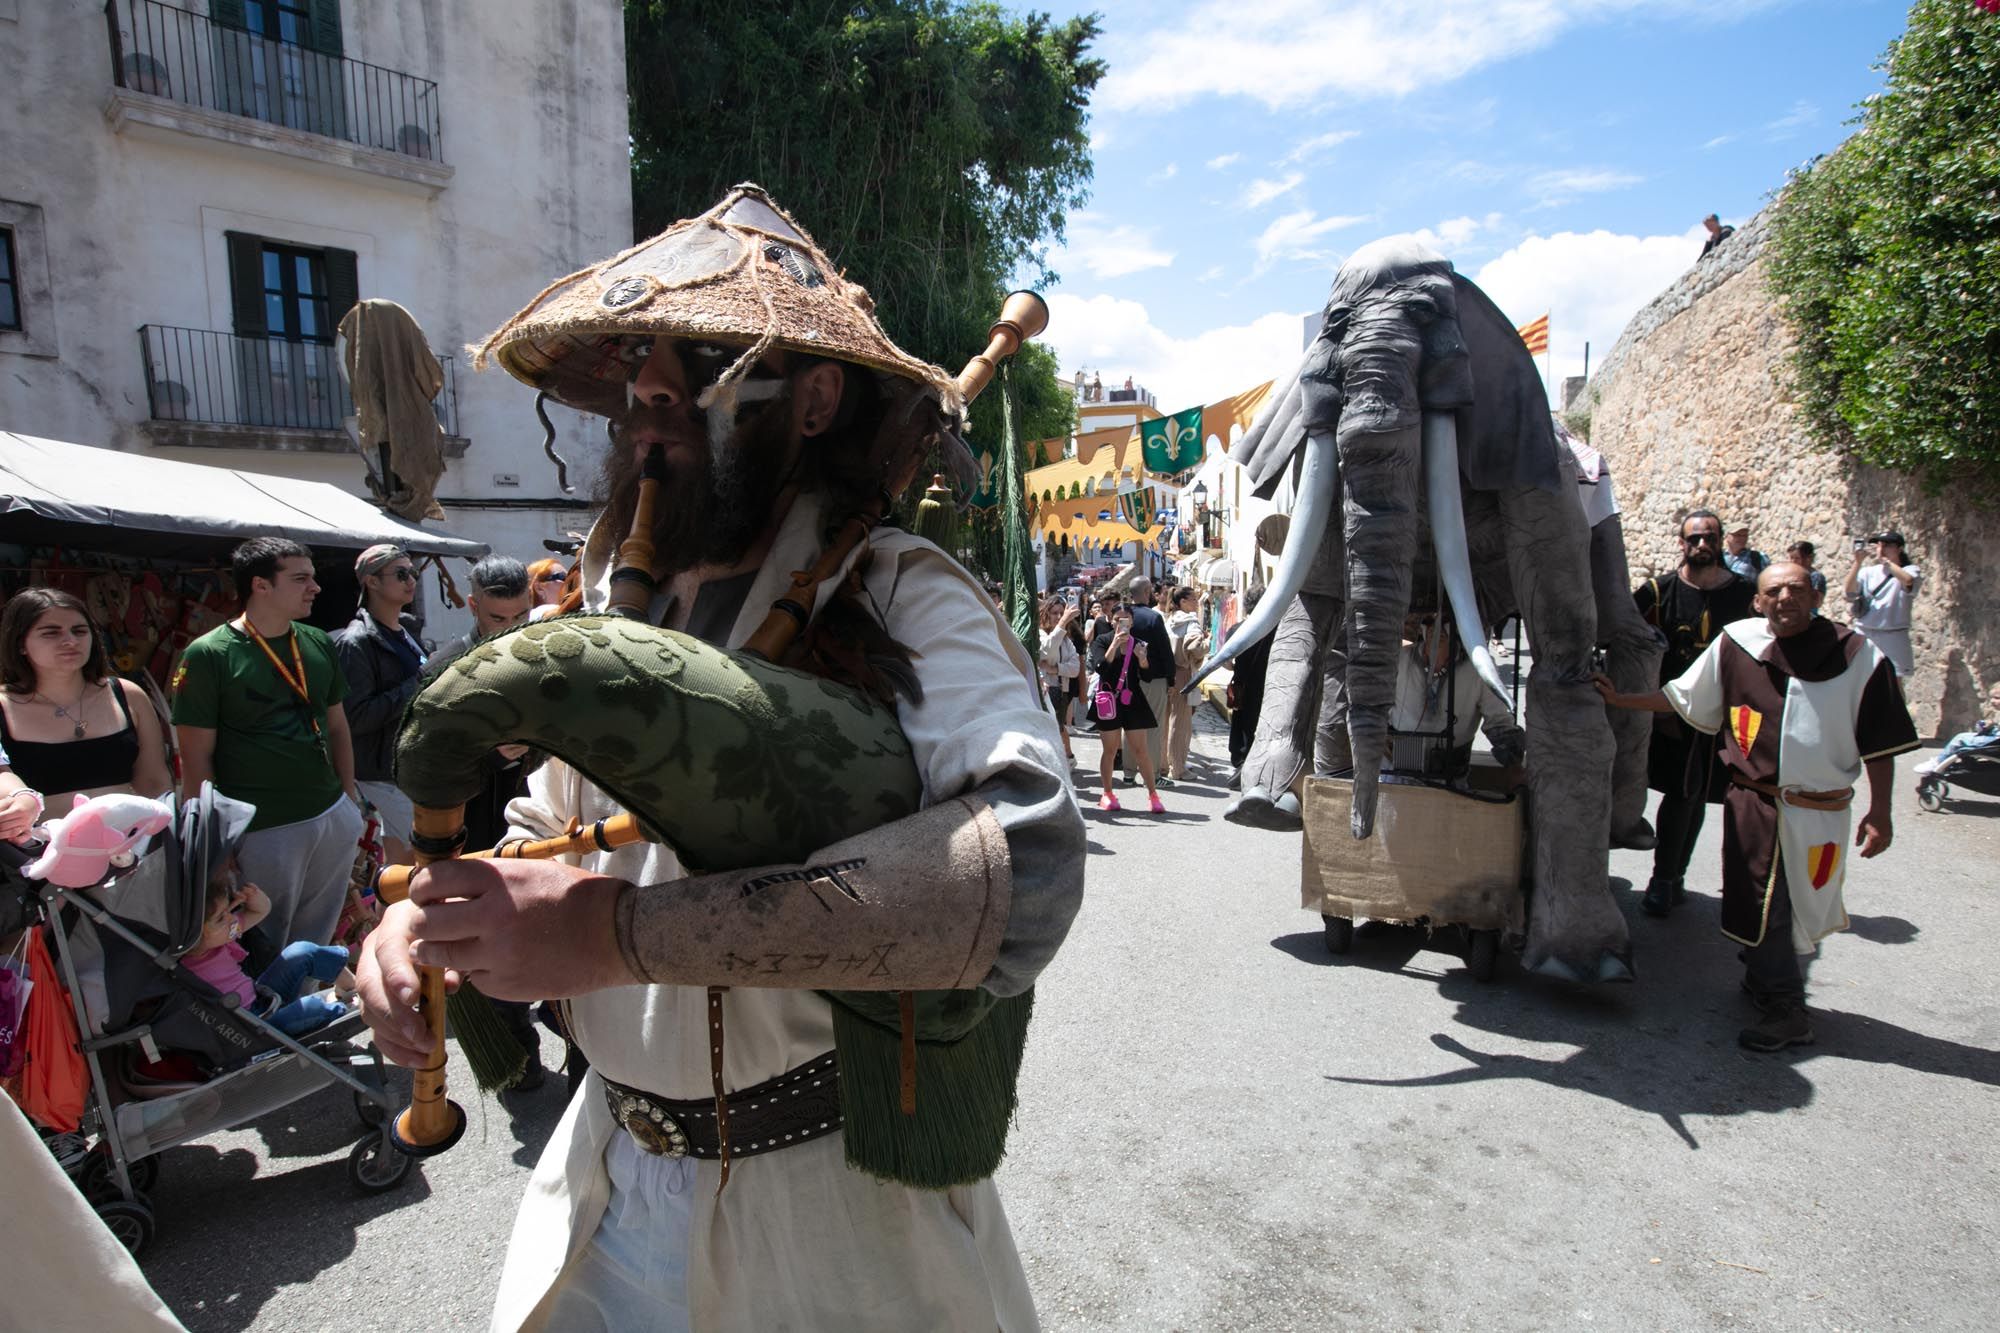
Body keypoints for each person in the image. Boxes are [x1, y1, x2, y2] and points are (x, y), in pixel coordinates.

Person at [352, 183, 1082, 1330]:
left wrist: (613, 936)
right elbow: (549, 831)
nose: (649, 391)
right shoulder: (601, 598)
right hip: (602, 1175)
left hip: (835, 1215)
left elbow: (1025, 870)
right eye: (636, 359)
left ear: (813, 399)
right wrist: (424, 923)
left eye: (695, 359)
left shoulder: (895, 591)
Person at [1595, 561, 1918, 1050]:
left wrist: (1881, 812)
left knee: (1788, 904)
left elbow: (1881, 739)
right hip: (1753, 801)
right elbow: (1685, 698)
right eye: (1775, 590)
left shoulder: (1859, 656)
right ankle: (1770, 984)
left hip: (1817, 811)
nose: (1785, 597)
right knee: (1756, 899)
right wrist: (1623, 701)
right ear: (1758, 601)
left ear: (1815, 596)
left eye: (1796, 588)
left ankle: (1786, 1006)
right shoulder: (1737, 645)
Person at [172, 538, 365, 955]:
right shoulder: (209, 654)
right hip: (263, 826)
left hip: (330, 812)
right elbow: (195, 756)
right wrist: (212, 846)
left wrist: (348, 799)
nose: (315, 587)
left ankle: (306, 1012)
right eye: (300, 579)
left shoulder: (315, 641)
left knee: (315, 936)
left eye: (313, 577)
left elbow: (336, 725)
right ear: (260, 585)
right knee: (262, 937)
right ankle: (264, 1015)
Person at [427, 555, 557, 1090]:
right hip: (475, 823)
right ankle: (513, 1055)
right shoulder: (443, 667)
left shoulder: (548, 652)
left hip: (542, 814)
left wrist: (533, 748)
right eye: (499, 620)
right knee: (489, 942)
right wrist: (492, 752)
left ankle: (565, 1029)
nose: (512, 630)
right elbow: (426, 757)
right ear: (473, 605)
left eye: (521, 616)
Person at [1631, 510, 1757, 917]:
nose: (1702, 545)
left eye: (1709, 538)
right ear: (1681, 543)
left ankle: (1670, 878)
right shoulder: (1657, 591)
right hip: (1671, 713)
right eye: (1695, 538)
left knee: (1696, 793)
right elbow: (1624, 638)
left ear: (1719, 542)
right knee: (1682, 792)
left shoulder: (1745, 595)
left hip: (1725, 714)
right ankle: (1665, 878)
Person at [0, 589, 173, 839]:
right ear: (20, 644)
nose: (70, 640)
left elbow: (155, 782)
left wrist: (159, 844)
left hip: (131, 849)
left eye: (80, 631)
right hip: (40, 860)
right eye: (51, 632)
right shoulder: (3, 706)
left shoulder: (128, 695)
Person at [185, 858, 357, 1036]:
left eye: (228, 911)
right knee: (309, 1007)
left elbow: (260, 911)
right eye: (221, 917)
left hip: (263, 998)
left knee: (301, 951)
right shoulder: (181, 969)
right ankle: (349, 1010)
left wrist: (255, 899)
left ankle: (351, 987)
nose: (231, 918)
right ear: (192, 933)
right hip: (253, 1029)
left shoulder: (219, 937)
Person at [333, 545, 427, 863]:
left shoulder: (406, 631)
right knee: (428, 857)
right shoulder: (355, 642)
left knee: (399, 864)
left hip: (406, 767)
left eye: (412, 572)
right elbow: (355, 717)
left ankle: (388, 912)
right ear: (372, 582)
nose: (410, 580)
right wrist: (416, 685)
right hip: (382, 775)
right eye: (400, 574)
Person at [1087, 592, 1161, 813]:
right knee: (1109, 750)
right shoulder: (1102, 641)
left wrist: (1143, 659)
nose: (1121, 624)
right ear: (1111, 620)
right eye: (1117, 620)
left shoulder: (1139, 644)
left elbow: (1148, 675)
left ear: (1132, 621)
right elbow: (1100, 668)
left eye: (1125, 620)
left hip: (1133, 699)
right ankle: (1108, 793)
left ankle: (1153, 795)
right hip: (1108, 699)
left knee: (1141, 750)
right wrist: (1114, 646)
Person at [1122, 576, 1176, 788]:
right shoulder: (1153, 618)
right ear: (1146, 591)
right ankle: (1151, 774)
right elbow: (1164, 651)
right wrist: (1171, 679)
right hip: (1152, 678)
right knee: (1152, 726)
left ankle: (1128, 773)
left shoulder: (1124, 617)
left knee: (1130, 725)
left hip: (1128, 678)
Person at [1844, 530, 1919, 677]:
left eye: (1887, 545)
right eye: (1879, 545)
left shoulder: (1910, 570)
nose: (1882, 549)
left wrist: (1887, 562)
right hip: (1865, 632)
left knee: (1894, 683)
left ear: (1900, 549)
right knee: (1861, 679)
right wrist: (1857, 562)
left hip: (1893, 635)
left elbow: (1908, 581)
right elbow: (1849, 592)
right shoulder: (1868, 572)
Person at [1162, 585, 1209, 782]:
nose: (1196, 603)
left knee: (1165, 721)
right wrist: (1207, 642)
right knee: (1180, 723)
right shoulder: (1191, 622)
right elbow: (1195, 647)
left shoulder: (1169, 620)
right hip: (1182, 673)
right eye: (1193, 599)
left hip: (1166, 673)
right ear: (1183, 602)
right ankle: (1178, 767)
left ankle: (1163, 764)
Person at [1914, 681, 2000, 776]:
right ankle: (1967, 762)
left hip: (1995, 743)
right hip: (1994, 741)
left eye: (1997, 698)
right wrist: (1991, 725)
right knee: (1971, 737)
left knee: (1960, 738)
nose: (1992, 701)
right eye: (1992, 698)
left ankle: (1938, 762)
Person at [1036, 596, 1080, 763]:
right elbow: (1047, 650)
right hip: (1044, 690)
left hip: (1061, 691)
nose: (1059, 617)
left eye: (1062, 613)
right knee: (1048, 731)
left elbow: (1075, 668)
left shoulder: (1066, 640)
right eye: (1055, 613)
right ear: (1046, 614)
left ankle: (1065, 759)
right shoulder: (1039, 634)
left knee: (1058, 729)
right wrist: (1062, 624)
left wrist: (1055, 669)